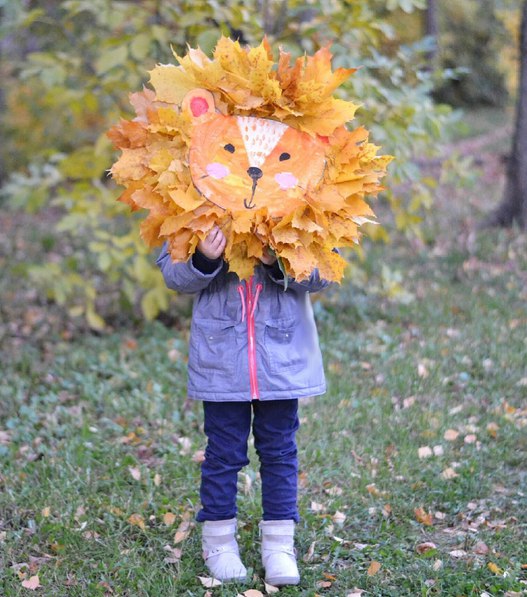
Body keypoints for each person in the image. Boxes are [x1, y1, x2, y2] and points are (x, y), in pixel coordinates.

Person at [156, 225, 333, 586]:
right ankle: (219, 543)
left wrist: (278, 260)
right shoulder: (199, 198)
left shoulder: (296, 192)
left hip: (280, 356)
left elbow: (324, 273)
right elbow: (173, 275)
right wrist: (204, 257)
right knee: (223, 452)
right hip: (222, 357)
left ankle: (279, 545)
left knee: (280, 449)